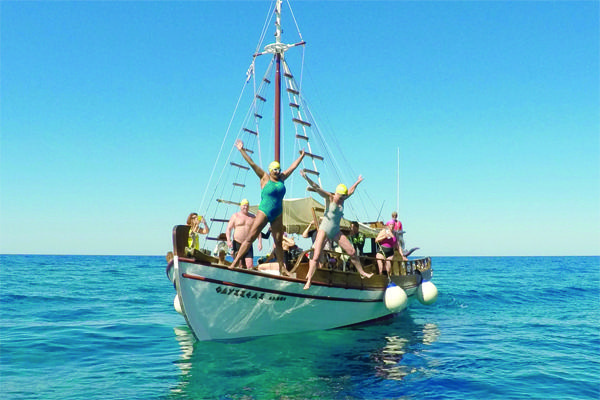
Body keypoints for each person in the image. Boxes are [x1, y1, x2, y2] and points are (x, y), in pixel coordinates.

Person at [228, 139, 305, 273]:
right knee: (250, 237)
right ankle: (234, 263)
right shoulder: (264, 177)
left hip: (278, 213)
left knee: (279, 242)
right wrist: (241, 150)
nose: (277, 171)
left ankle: (282, 269)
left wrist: (301, 156)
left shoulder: (282, 178)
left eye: (278, 169)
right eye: (274, 169)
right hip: (264, 211)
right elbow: (252, 163)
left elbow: (292, 168)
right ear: (270, 171)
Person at [301, 171, 373, 289]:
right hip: (324, 229)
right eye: (341, 196)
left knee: (352, 252)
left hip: (335, 231)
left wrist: (357, 182)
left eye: (344, 196)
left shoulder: (343, 198)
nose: (342, 199)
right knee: (316, 255)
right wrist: (306, 177)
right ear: (336, 194)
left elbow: (351, 191)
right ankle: (309, 280)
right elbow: (316, 187)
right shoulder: (330, 198)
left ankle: (362, 272)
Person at [226, 199, 262, 269]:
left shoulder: (253, 217)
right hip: (237, 243)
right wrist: (228, 240)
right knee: (239, 265)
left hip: (248, 244)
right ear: (240, 206)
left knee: (250, 265)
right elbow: (228, 229)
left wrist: (259, 242)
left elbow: (258, 230)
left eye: (247, 206)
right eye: (244, 205)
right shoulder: (235, 216)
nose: (245, 207)